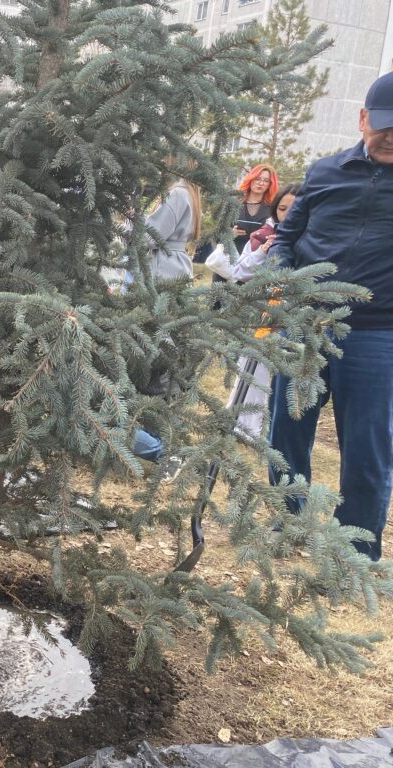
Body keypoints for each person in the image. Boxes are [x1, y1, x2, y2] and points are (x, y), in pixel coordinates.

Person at [268, 72, 393, 562]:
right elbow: (286, 237)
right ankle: (288, 524)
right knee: (287, 430)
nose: (391, 138)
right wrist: (281, 280)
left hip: (377, 333)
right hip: (305, 323)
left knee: (366, 446)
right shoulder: (323, 173)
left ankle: (354, 552)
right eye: (384, 126)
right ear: (363, 120)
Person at [131, 176, 201, 474]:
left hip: (162, 279)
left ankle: (167, 451)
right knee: (159, 360)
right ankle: (161, 442)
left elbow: (149, 236)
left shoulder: (177, 193)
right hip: (167, 274)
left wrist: (127, 223)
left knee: (158, 359)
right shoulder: (185, 192)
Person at [212, 164, 278, 284]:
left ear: (270, 184)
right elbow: (216, 235)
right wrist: (230, 234)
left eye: (266, 181)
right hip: (227, 264)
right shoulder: (232, 205)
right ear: (250, 179)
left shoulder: (273, 210)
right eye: (258, 179)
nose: (261, 183)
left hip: (255, 266)